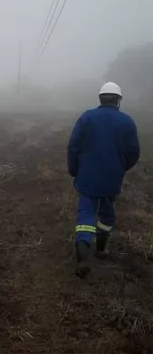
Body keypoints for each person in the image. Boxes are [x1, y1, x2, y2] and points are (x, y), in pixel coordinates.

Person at [67, 82, 140, 278]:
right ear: (118, 100)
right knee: (107, 215)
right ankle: (101, 249)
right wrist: (120, 169)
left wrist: (74, 170)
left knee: (86, 213)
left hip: (87, 177)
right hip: (112, 178)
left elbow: (73, 146)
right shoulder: (127, 122)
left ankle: (82, 257)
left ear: (100, 98)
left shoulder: (87, 117)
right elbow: (134, 153)